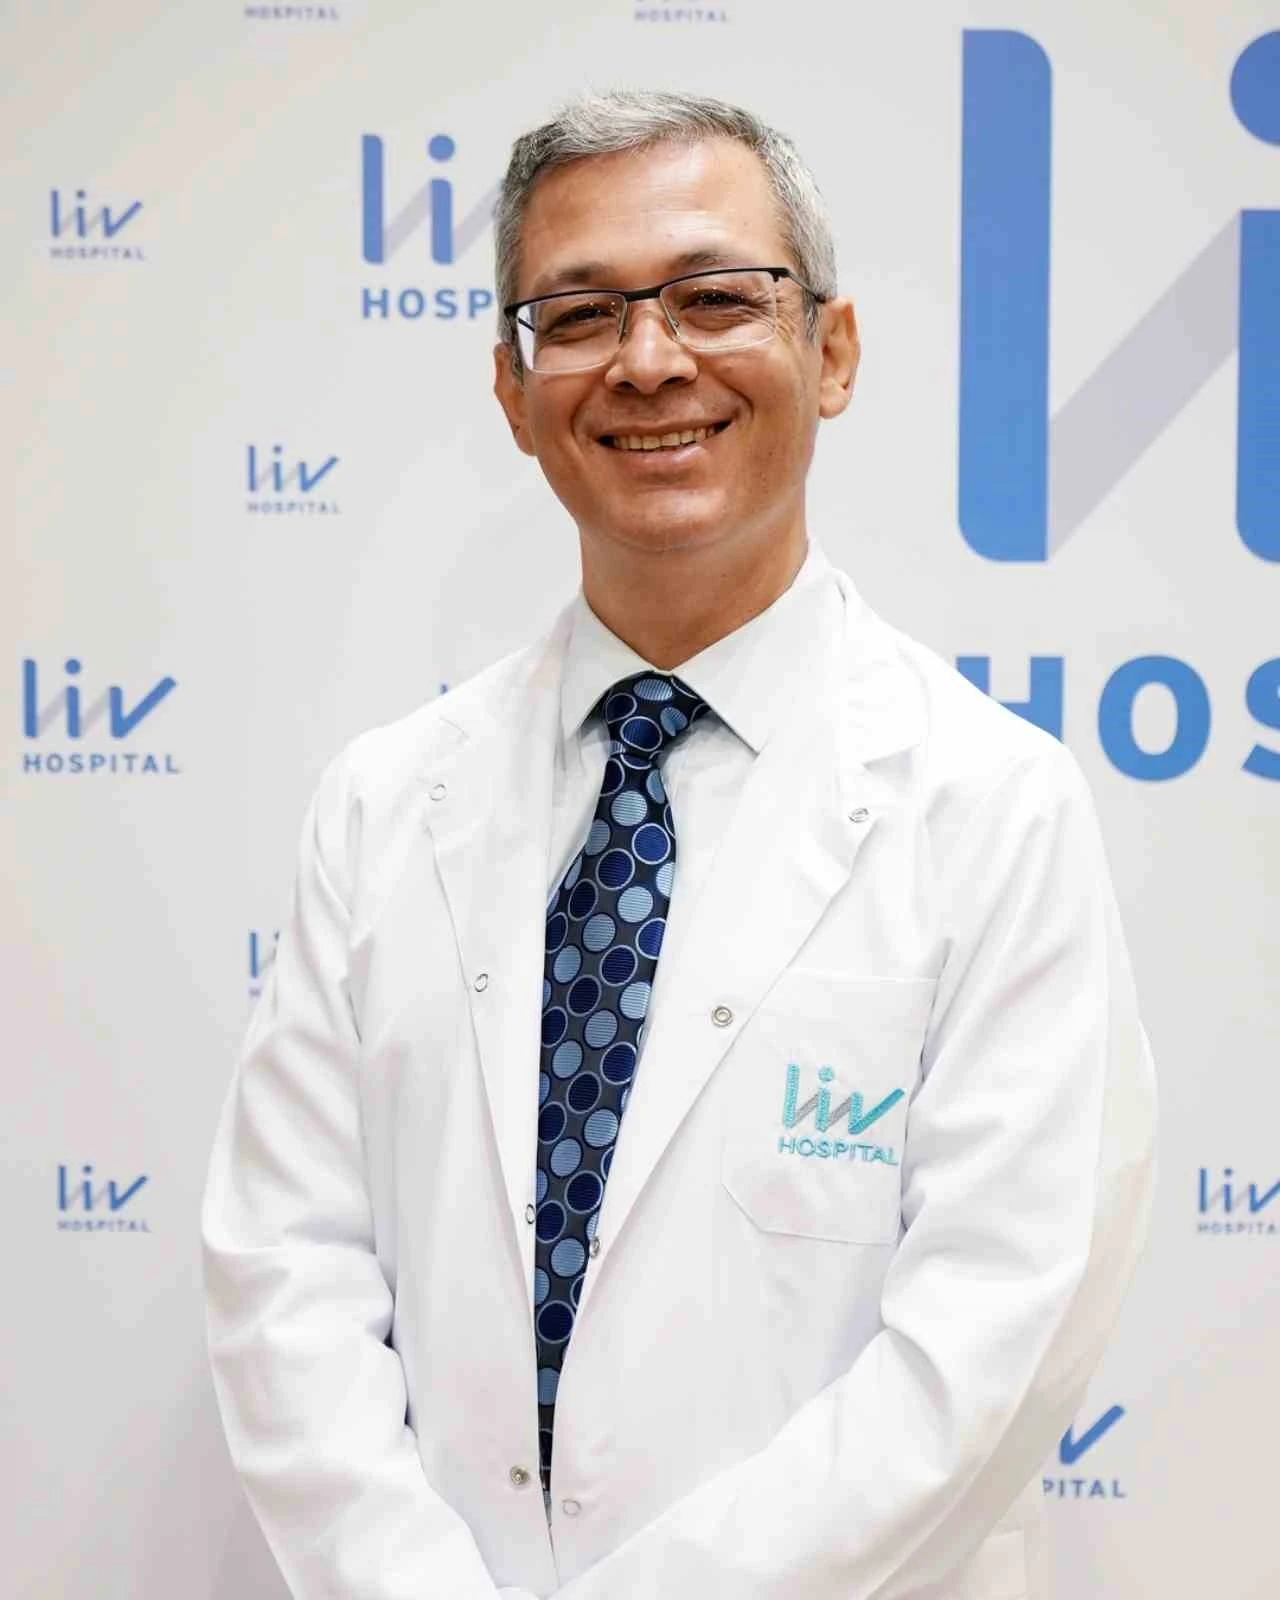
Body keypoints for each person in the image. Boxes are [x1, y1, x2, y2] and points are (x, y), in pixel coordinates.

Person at [202, 89, 1158, 1600]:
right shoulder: (383, 808)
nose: (648, 359)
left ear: (831, 353)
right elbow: (286, 1279)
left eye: (716, 297)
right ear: (513, 390)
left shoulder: (992, 810)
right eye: (579, 314)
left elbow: (990, 1343)